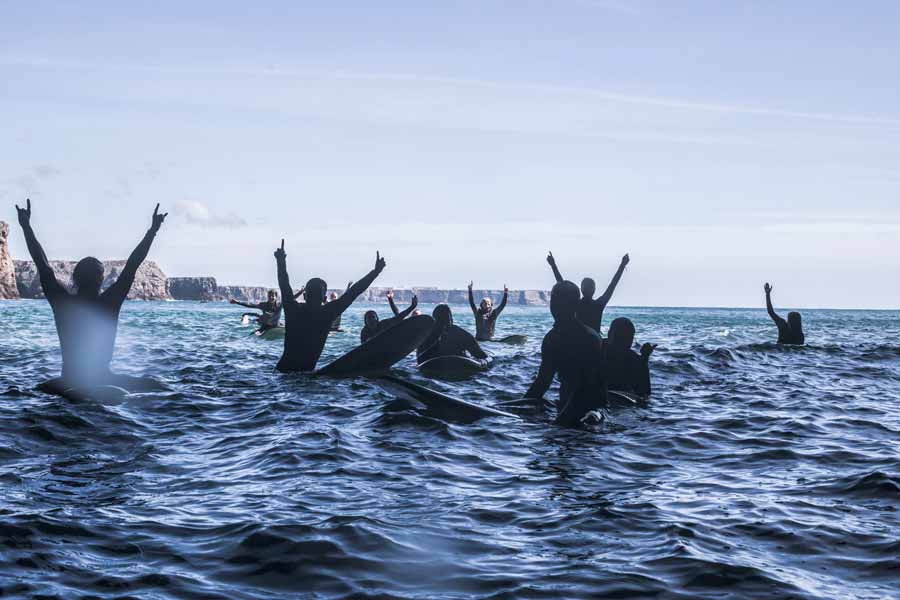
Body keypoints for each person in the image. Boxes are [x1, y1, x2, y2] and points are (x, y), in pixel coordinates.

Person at [15, 199, 168, 395]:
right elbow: (133, 264)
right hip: (103, 379)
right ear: (101, 279)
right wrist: (153, 230)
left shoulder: (63, 303)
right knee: (158, 387)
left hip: (69, 381)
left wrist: (26, 226)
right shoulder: (109, 302)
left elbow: (42, 264)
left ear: (76, 278)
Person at [274, 240, 385, 372]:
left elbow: (284, 284)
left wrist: (281, 261)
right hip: (306, 375)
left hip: (282, 373)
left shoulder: (293, 310)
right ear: (325, 298)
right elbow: (354, 292)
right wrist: (375, 272)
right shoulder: (327, 313)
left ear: (304, 296)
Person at [524, 280, 608, 427]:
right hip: (564, 405)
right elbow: (542, 382)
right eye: (554, 300)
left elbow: (586, 386)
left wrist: (557, 423)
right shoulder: (551, 339)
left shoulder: (590, 338)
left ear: (575, 305)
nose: (556, 306)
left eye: (562, 301)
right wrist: (517, 410)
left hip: (593, 411)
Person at [546, 251, 629, 334]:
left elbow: (562, 285)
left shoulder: (576, 304)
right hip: (594, 343)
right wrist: (622, 265)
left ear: (581, 289)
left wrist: (553, 265)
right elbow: (612, 285)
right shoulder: (598, 305)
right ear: (594, 290)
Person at [417, 304, 489, 364]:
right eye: (441, 319)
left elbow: (481, 357)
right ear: (451, 319)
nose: (443, 322)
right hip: (459, 368)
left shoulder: (424, 335)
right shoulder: (463, 334)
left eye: (445, 318)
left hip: (437, 368)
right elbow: (481, 357)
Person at [605, 317, 655, 397]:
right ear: (609, 334)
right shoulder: (597, 351)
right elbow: (645, 395)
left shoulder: (634, 360)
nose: (623, 341)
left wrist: (644, 359)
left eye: (627, 337)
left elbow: (645, 393)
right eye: (619, 336)